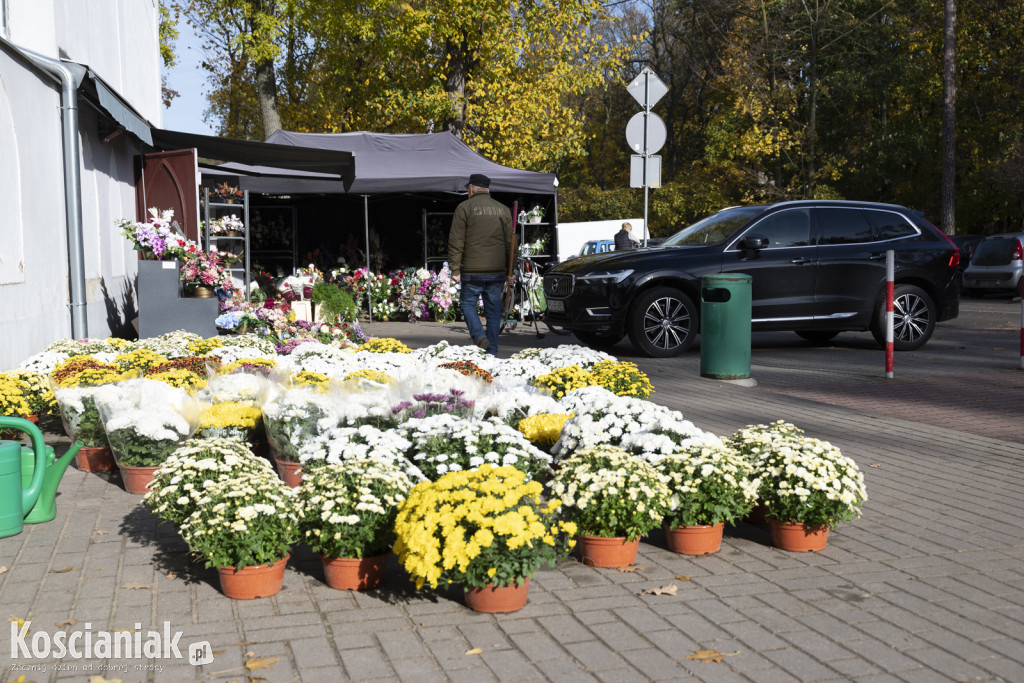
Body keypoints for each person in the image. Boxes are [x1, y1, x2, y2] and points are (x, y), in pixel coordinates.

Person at [448, 173, 515, 355]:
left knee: (467, 304)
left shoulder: (464, 208)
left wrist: (455, 268)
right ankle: (492, 352)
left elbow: (456, 241)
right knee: (493, 312)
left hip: (472, 271)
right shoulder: (503, 210)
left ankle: (479, 336)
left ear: (471, 189)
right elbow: (511, 244)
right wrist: (511, 270)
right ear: (488, 189)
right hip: (496, 271)